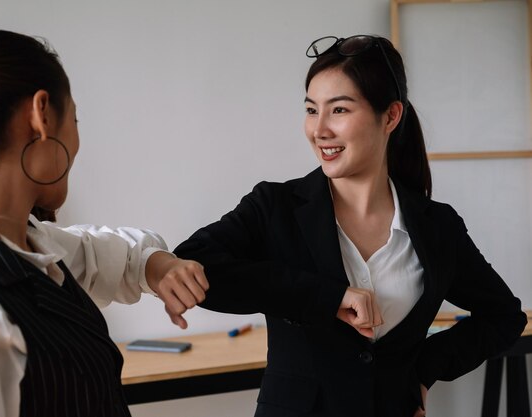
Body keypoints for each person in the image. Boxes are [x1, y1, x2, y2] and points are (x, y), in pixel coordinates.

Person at [173, 34, 527, 417]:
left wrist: (423, 371)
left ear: (390, 116)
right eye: (311, 110)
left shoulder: (436, 226)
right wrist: (329, 297)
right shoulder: (274, 207)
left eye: (338, 110)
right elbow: (193, 265)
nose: (319, 129)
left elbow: (504, 316)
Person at [0, 30, 208, 417]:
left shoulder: (31, 247)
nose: (78, 141)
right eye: (75, 118)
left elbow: (115, 254)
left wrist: (159, 265)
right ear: (42, 114)